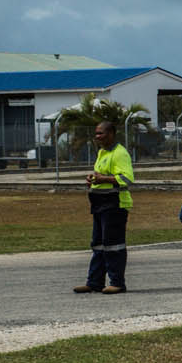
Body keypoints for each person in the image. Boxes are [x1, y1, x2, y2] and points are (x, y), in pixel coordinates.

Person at [75, 120, 135, 293]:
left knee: (113, 245)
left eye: (100, 133)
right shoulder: (102, 152)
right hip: (100, 205)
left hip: (115, 205)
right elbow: (100, 175)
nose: (97, 136)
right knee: (98, 245)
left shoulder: (120, 153)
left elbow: (126, 178)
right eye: (96, 133)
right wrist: (92, 178)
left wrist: (103, 179)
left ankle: (117, 282)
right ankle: (94, 282)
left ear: (111, 134)